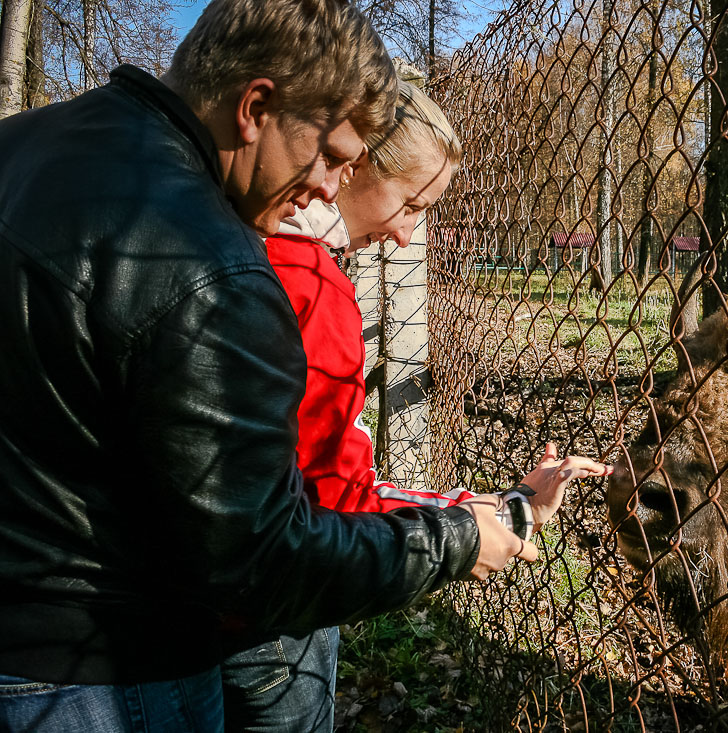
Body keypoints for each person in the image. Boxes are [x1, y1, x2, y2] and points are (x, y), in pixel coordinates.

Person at [0, 1, 608, 730]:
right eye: (330, 156)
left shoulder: (27, 144)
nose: (327, 189)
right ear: (256, 106)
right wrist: (460, 536)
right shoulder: (214, 262)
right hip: (106, 668)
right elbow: (266, 555)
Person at [220, 80, 609, 732]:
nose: (405, 236)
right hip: (270, 627)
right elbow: (335, 504)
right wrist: (503, 513)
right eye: (411, 203)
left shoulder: (238, 237)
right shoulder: (311, 286)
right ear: (355, 162)